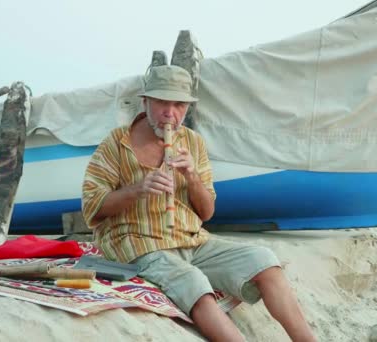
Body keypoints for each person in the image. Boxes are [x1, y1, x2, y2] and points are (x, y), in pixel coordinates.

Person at [81, 65, 316, 342]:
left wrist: (192, 176)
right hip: (139, 243)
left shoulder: (192, 142)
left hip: (192, 240)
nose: (170, 113)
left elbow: (207, 212)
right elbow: (92, 207)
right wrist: (137, 189)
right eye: (162, 103)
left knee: (264, 261)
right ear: (145, 102)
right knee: (194, 283)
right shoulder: (116, 144)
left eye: (179, 105)